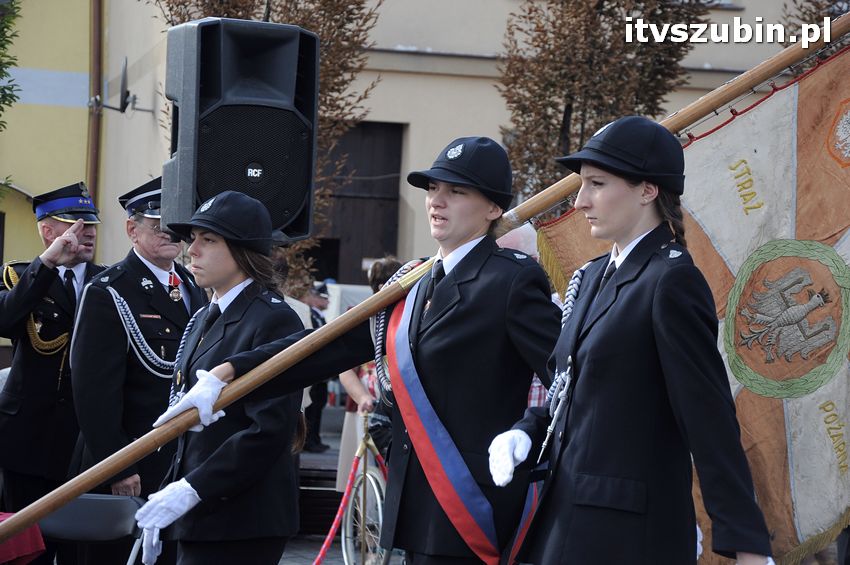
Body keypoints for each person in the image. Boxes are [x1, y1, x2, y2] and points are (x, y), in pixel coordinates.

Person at [159, 136, 562, 563]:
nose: (436, 202)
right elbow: (326, 345)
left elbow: (570, 377)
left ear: (494, 208)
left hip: (474, 499)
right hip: (415, 500)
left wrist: (529, 428)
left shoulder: (512, 281)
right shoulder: (414, 282)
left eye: (456, 192)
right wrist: (230, 372)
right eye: (432, 190)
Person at [487, 116, 774, 565]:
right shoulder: (593, 276)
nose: (581, 201)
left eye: (597, 183)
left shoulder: (672, 281)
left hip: (627, 535)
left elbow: (708, 416)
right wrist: (528, 429)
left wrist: (746, 543)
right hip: (565, 521)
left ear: (647, 190)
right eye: (582, 184)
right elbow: (577, 391)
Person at [134, 191, 305, 565]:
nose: (191, 250)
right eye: (192, 238)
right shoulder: (201, 317)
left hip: (241, 518)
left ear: (244, 250)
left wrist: (192, 489)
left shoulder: (272, 319)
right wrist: (171, 494)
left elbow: (268, 431)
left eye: (208, 240)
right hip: (199, 515)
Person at [70, 178, 207, 565]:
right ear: (132, 229)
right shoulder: (110, 290)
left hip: (174, 465)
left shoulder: (193, 288)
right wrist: (119, 466)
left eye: (178, 225)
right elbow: (93, 391)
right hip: (126, 464)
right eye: (158, 224)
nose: (171, 234)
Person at [0, 181, 104, 565]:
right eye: (76, 223)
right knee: (26, 546)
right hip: (26, 437)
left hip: (83, 440)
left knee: (80, 548)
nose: (88, 231)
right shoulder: (19, 276)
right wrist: (46, 265)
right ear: (48, 230)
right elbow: (6, 317)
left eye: (92, 224)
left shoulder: (108, 281)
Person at [335, 256, 402, 491]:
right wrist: (363, 397)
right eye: (380, 283)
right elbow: (345, 370)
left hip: (399, 408)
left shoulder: (408, 313)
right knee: (364, 479)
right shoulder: (360, 315)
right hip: (366, 406)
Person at [302, 281, 332, 452]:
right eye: (323, 298)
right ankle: (309, 440)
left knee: (318, 405)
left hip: (322, 368)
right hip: (315, 368)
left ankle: (315, 438)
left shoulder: (318, 315)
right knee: (312, 406)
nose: (327, 302)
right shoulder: (311, 315)